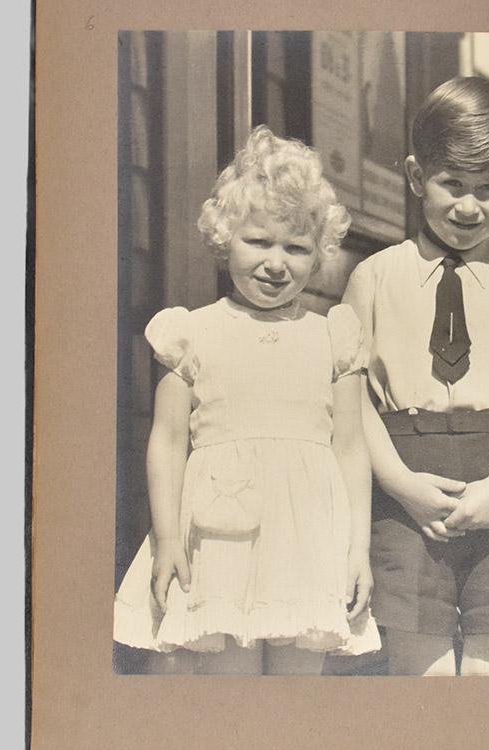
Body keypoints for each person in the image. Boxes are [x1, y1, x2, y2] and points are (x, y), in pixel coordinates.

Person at [113, 125, 380, 675]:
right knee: (226, 692)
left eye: (296, 247)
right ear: (224, 236)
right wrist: (167, 538)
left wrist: (357, 549)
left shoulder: (333, 336)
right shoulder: (193, 333)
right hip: (219, 538)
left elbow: (351, 448)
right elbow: (166, 442)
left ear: (319, 252)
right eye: (258, 242)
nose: (276, 263)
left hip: (307, 540)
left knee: (294, 692)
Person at [342, 77, 489, 676]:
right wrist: (399, 483)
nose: (469, 207)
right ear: (418, 176)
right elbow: (350, 400)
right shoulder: (372, 279)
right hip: (406, 493)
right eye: (452, 184)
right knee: (419, 671)